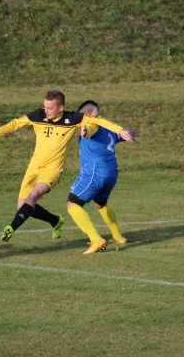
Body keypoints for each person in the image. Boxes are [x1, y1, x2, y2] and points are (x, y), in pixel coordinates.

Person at [0, 91, 135, 243]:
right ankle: (55, 221)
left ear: (61, 108)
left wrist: (120, 130)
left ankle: (10, 228)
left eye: (50, 108)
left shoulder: (72, 119)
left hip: (52, 170)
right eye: (45, 107)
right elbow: (16, 123)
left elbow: (100, 121)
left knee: (34, 195)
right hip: (33, 168)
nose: (46, 110)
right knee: (22, 207)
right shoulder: (38, 115)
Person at [66, 100, 134, 254]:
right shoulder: (108, 127)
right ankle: (118, 237)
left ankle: (97, 240)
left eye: (81, 115)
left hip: (95, 172)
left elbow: (88, 130)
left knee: (72, 204)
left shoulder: (92, 125)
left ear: (89, 113)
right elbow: (120, 136)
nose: (79, 118)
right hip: (111, 172)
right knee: (100, 203)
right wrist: (129, 133)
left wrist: (84, 131)